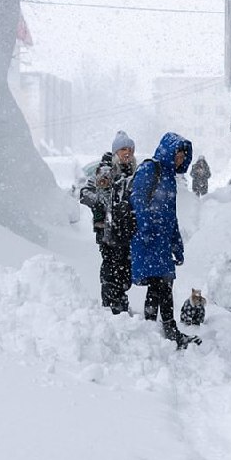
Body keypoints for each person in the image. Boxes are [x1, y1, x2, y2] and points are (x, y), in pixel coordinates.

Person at [130, 132, 201, 349]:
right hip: (148, 239)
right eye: (178, 154)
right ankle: (167, 330)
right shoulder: (150, 169)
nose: (181, 158)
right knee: (161, 283)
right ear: (169, 152)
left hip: (161, 241)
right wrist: (146, 230)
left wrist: (176, 245)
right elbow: (137, 201)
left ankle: (155, 329)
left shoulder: (169, 178)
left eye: (183, 156)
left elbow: (171, 216)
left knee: (161, 284)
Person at [79, 131, 137, 315]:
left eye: (130, 149)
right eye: (123, 149)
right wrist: (104, 204)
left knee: (125, 270)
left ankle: (119, 302)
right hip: (108, 231)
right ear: (116, 152)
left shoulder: (133, 171)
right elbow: (85, 193)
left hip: (126, 231)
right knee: (112, 268)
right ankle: (111, 305)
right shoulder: (106, 170)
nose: (127, 153)